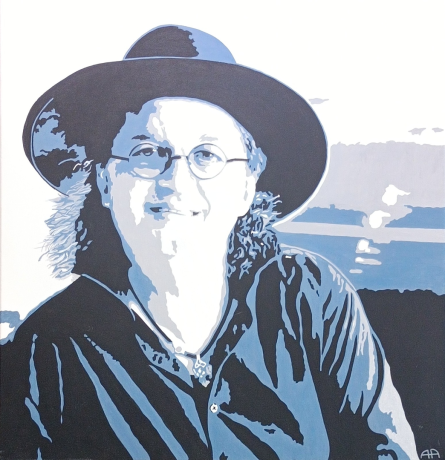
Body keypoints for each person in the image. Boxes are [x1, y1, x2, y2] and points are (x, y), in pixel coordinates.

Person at [0, 25, 418, 459]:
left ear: (247, 187)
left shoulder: (311, 297)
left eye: (207, 155)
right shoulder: (39, 355)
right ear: (106, 182)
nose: (176, 183)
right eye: (146, 152)